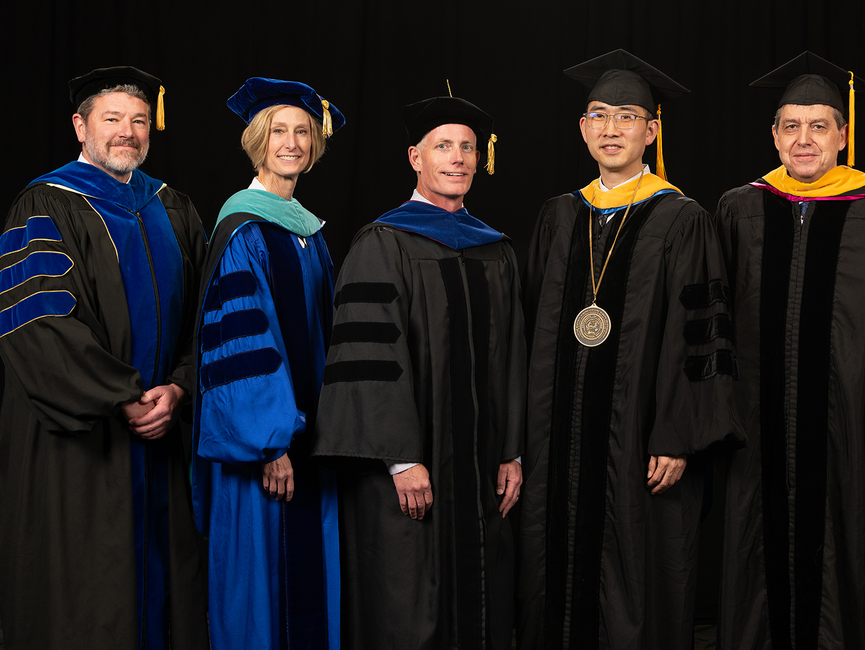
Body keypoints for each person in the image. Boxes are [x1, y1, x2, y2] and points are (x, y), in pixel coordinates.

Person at [713, 52, 865, 650]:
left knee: (846, 560)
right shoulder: (741, 207)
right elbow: (712, 326)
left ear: (843, 135)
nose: (804, 139)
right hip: (755, 431)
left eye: (819, 126)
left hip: (847, 430)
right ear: (773, 135)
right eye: (791, 126)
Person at [516, 49, 741, 650]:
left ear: (652, 130)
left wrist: (676, 434)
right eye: (598, 115)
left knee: (635, 573)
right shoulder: (559, 215)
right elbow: (530, 332)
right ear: (583, 128)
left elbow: (702, 339)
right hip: (556, 441)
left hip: (642, 438)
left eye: (627, 116)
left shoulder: (684, 219)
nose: (611, 129)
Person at [0, 65, 209, 649]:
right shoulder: (46, 203)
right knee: (88, 598)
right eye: (112, 118)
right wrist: (122, 397)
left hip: (163, 428)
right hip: (84, 444)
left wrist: (181, 386)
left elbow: (204, 315)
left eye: (139, 121)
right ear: (80, 125)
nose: (128, 133)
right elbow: (37, 323)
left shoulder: (172, 206)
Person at [311, 94, 525, 650]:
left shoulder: (495, 250)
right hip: (409, 470)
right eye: (443, 147)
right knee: (407, 602)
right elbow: (369, 361)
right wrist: (402, 460)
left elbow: (512, 358)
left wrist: (512, 452)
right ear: (415, 157)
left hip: (481, 469)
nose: (457, 159)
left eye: (467, 148)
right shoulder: (383, 244)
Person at [192, 77, 345, 650]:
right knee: (261, 582)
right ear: (258, 141)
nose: (292, 143)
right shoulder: (243, 228)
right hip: (267, 447)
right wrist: (271, 442)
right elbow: (240, 342)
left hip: (312, 441)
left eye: (302, 132)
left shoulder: (306, 229)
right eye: (278, 131)